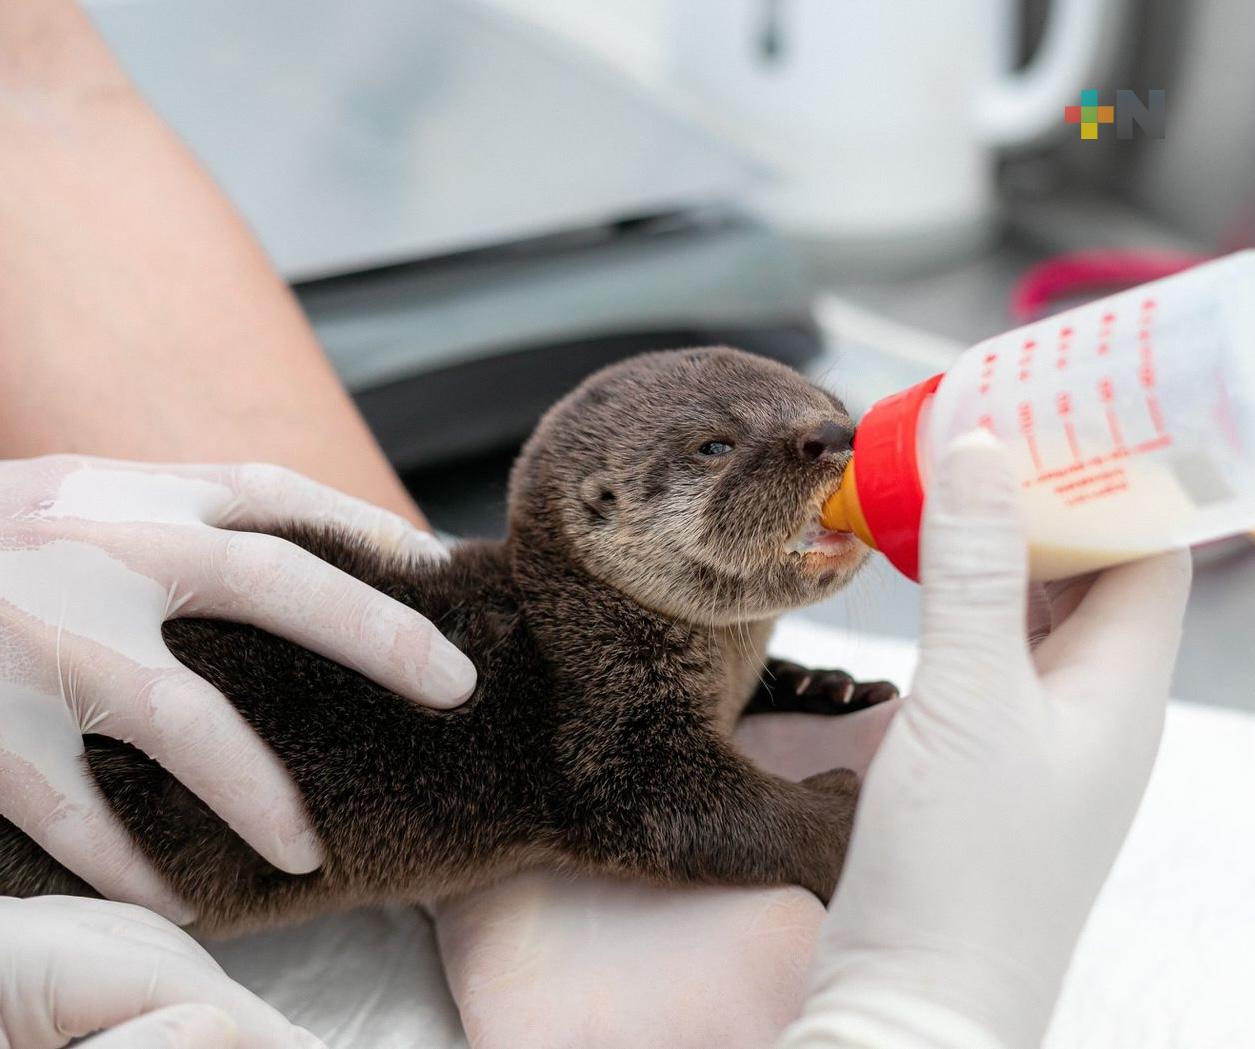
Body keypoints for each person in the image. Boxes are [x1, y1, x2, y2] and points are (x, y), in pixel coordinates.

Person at [0, 4, 1190, 1045]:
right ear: (603, 514)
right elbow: (633, 782)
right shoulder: (603, 676)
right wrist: (903, 955)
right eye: (717, 452)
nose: (821, 448)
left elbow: (34, 95)